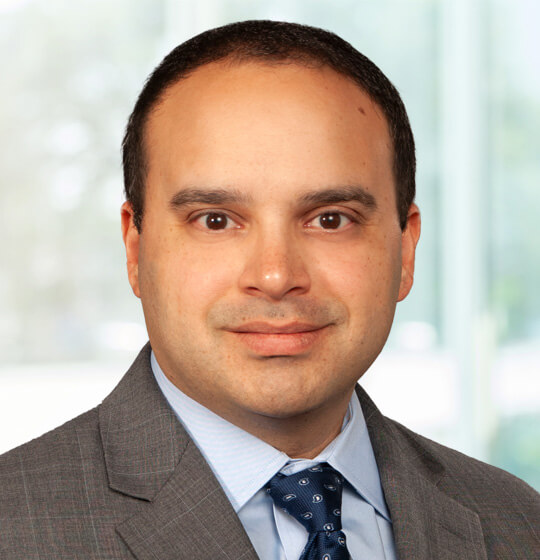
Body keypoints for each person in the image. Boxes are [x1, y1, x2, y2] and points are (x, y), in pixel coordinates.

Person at [0, 20, 538, 560]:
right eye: (215, 220)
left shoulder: (519, 522)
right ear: (136, 250)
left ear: (406, 250)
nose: (277, 276)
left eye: (330, 219)